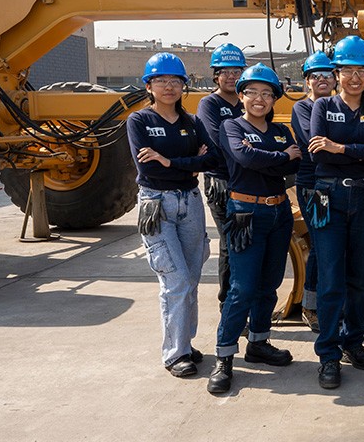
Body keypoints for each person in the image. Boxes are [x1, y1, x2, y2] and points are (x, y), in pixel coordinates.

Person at [207, 63, 302, 395]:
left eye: (267, 93)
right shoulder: (231, 127)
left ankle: (259, 343)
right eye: (252, 92)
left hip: (278, 213)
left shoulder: (280, 131)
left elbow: (294, 162)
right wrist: (279, 155)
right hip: (246, 212)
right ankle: (224, 358)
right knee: (242, 288)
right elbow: (246, 158)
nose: (259, 99)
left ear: (274, 98)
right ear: (242, 95)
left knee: (269, 285)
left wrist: (273, 156)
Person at [307, 36, 364, 390]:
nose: (354, 78)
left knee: (359, 278)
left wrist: (341, 147)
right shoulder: (322, 107)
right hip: (328, 197)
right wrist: (363, 150)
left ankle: (352, 341)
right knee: (330, 279)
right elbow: (318, 154)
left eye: (361, 71)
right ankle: (328, 353)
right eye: (347, 71)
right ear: (337, 72)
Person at [127, 52, 218, 378]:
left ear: (184, 86)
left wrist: (170, 161)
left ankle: (185, 343)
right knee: (175, 280)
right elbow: (147, 166)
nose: (168, 87)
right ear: (148, 86)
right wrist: (189, 160)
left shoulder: (192, 123)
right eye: (161, 81)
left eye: (175, 81)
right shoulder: (139, 122)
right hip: (157, 205)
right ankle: (175, 353)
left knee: (191, 278)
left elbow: (213, 160)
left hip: (190, 202)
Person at [196, 43, 246, 314]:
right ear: (216, 75)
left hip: (247, 181)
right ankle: (228, 304)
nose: (230, 76)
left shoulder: (247, 101)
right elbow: (218, 141)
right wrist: (248, 147)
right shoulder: (210, 104)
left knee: (245, 242)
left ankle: (242, 300)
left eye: (236, 70)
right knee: (230, 244)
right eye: (224, 71)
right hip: (222, 184)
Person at [290, 50, 337, 333]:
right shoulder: (302, 108)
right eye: (315, 76)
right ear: (307, 81)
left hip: (337, 182)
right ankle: (310, 305)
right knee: (321, 247)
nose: (322, 80)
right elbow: (313, 143)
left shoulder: (342, 104)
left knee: (335, 247)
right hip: (313, 185)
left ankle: (331, 301)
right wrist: (348, 143)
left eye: (327, 75)